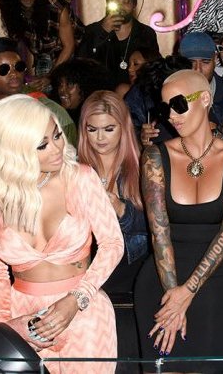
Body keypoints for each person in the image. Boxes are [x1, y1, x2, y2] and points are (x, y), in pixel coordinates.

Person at [0, 94, 123, 373]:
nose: (57, 148)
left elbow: (113, 244)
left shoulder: (80, 178)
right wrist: (7, 325)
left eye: (57, 135)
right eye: (42, 145)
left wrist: (77, 299)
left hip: (85, 312)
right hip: (22, 316)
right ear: (13, 150)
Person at [133, 69, 223, 372]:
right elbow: (159, 233)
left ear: (205, 99)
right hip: (163, 278)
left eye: (179, 104)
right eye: (165, 108)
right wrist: (173, 296)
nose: (171, 116)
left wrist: (188, 292)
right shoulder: (155, 156)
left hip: (218, 280)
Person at [78, 91, 148, 293]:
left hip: (131, 272)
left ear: (123, 128)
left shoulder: (144, 168)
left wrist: (121, 209)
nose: (100, 137)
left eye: (109, 129)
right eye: (92, 129)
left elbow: (158, 225)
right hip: (85, 271)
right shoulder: (74, 170)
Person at [0, 31, 77, 146]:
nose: (14, 73)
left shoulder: (49, 110)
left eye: (19, 66)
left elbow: (69, 151)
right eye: (3, 69)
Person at [0, 0, 84, 91]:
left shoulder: (55, 3)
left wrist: (50, 77)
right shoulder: (10, 6)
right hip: (44, 56)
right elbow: (17, 42)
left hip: (76, 54)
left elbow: (69, 46)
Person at [78, 0, 160, 85]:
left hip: (136, 89)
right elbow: (82, 62)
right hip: (101, 90)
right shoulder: (92, 30)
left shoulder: (146, 33)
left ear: (134, 5)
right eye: (116, 2)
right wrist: (103, 31)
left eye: (126, 2)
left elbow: (154, 66)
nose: (120, 7)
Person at [178, 32, 223, 143]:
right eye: (191, 62)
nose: (198, 69)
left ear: (215, 59)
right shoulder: (166, 95)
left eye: (205, 62)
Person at [50, 58, 116, 124]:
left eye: (69, 84)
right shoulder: (56, 114)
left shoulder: (97, 117)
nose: (61, 89)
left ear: (85, 87)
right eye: (60, 84)